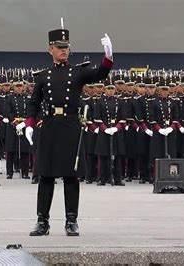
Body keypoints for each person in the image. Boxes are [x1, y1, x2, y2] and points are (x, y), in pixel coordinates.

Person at [23, 26, 113, 236]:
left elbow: (100, 74)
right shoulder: (43, 76)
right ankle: (42, 221)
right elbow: (33, 103)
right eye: (59, 47)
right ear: (50, 49)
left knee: (71, 177)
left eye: (66, 47)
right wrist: (29, 123)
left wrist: (108, 57)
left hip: (71, 126)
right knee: (46, 176)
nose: (64, 50)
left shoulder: (79, 72)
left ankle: (71, 220)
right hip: (50, 127)